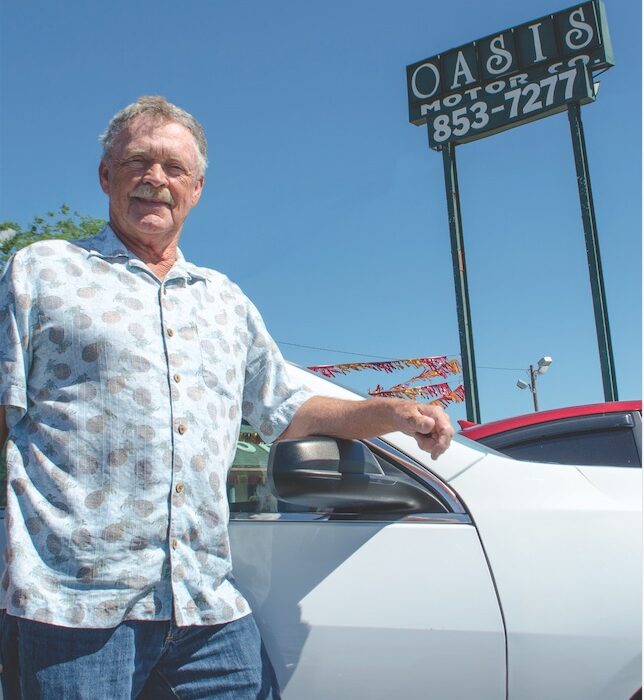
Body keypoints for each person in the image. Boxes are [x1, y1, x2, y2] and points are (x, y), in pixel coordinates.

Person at [0, 95, 454, 699]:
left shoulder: (224, 301)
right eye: (138, 161)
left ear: (197, 188)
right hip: (74, 605)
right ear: (107, 175)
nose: (155, 179)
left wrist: (390, 413)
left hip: (205, 604)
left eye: (174, 168)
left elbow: (287, 407)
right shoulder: (42, 270)